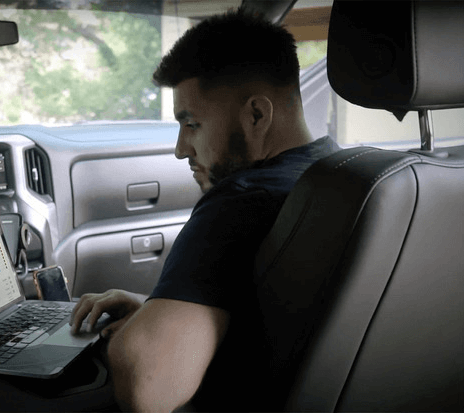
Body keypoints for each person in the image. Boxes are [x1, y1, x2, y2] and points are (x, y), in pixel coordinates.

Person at [70, 7, 339, 412]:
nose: (181, 149)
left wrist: (130, 335)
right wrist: (157, 310)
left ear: (256, 115)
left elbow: (147, 388)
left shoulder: (241, 201)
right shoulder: (339, 174)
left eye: (191, 124)